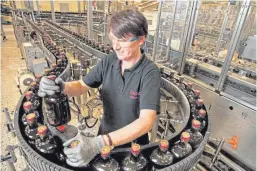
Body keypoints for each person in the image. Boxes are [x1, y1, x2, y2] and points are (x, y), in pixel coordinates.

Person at [38, 9, 160, 167]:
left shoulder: (150, 72)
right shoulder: (109, 61)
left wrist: (99, 143)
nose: (116, 46)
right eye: (113, 39)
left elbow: (146, 121)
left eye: (122, 40)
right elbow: (82, 85)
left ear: (141, 39)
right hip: (104, 137)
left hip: (132, 149)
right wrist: (61, 86)